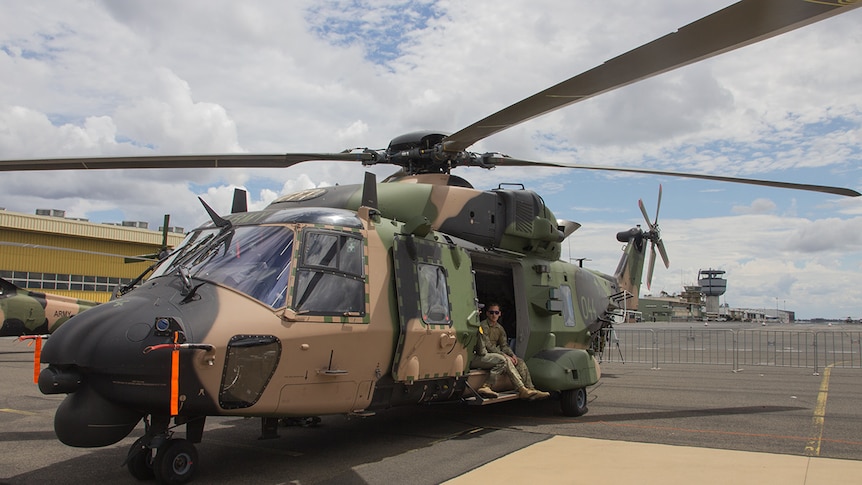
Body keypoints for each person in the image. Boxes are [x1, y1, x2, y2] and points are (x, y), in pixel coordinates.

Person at [471, 303, 549, 400]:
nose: (494, 315)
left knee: (520, 362)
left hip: (494, 355)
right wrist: (504, 355)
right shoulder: (483, 326)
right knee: (505, 360)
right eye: (491, 312)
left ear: (500, 314)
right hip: (484, 355)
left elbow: (504, 345)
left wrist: (512, 355)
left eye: (496, 312)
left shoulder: (499, 328)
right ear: (487, 314)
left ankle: (530, 388)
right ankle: (521, 388)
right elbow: (488, 346)